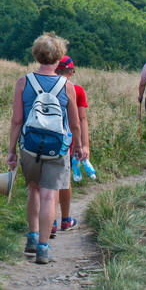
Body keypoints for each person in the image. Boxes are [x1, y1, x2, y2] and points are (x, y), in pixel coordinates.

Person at [7, 33, 80, 265]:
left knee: (34, 190)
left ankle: (32, 235)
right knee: (50, 195)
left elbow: (17, 120)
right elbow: (75, 122)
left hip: (29, 147)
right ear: (59, 57)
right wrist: (78, 146)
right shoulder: (67, 86)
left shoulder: (23, 82)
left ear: (36, 55)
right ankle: (43, 248)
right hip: (57, 149)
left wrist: (11, 151)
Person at [53, 55, 89, 236]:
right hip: (68, 141)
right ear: (71, 71)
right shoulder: (76, 89)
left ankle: (50, 221)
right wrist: (84, 145)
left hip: (44, 140)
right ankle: (65, 220)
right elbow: (81, 119)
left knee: (48, 180)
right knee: (64, 179)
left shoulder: (45, 86)